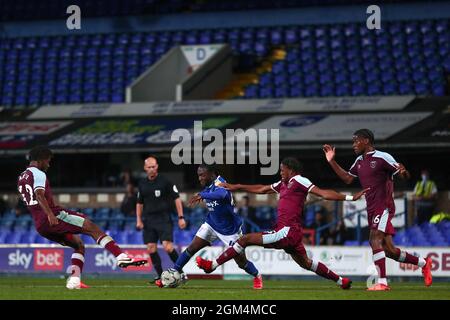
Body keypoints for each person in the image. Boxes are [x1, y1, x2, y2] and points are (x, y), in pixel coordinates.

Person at [195, 157, 369, 290]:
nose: (280, 172)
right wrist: (237, 186)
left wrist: (350, 197)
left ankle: (212, 265)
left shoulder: (299, 180)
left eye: (282, 170)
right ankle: (341, 281)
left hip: (286, 231)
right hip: (291, 233)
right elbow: (262, 189)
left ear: (291, 170)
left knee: (244, 240)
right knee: (307, 263)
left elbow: (323, 193)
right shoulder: (283, 184)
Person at [17, 146, 146, 290]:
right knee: (92, 227)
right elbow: (39, 195)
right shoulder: (39, 174)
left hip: (40, 225)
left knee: (78, 245)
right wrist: (50, 214)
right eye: (48, 160)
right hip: (54, 216)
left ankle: (74, 281)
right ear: (40, 160)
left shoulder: (22, 176)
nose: (49, 164)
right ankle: (121, 256)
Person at [323, 128, 432, 291]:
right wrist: (331, 161)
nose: (353, 144)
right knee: (390, 251)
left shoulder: (383, 157)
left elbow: (403, 175)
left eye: (356, 141)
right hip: (372, 207)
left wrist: (404, 172)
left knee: (374, 239)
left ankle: (382, 282)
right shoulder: (359, 161)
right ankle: (424, 263)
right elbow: (347, 178)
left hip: (384, 205)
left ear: (366, 140)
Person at [172, 164, 263, 289]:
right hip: (211, 224)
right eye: (198, 175)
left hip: (230, 230)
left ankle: (257, 275)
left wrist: (202, 195)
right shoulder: (208, 186)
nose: (200, 178)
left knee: (241, 263)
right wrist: (202, 194)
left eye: (202, 175)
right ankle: (173, 272)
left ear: (211, 174)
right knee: (192, 248)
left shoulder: (220, 182)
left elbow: (221, 195)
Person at [136, 156, 186, 287]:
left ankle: (181, 273)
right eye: (149, 167)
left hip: (164, 219)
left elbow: (177, 198)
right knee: (150, 248)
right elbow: (139, 203)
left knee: (168, 247)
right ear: (145, 168)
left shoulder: (165, 181)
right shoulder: (142, 184)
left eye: (154, 167)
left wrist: (181, 217)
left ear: (157, 166)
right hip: (149, 220)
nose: (152, 169)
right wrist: (139, 220)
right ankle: (160, 276)